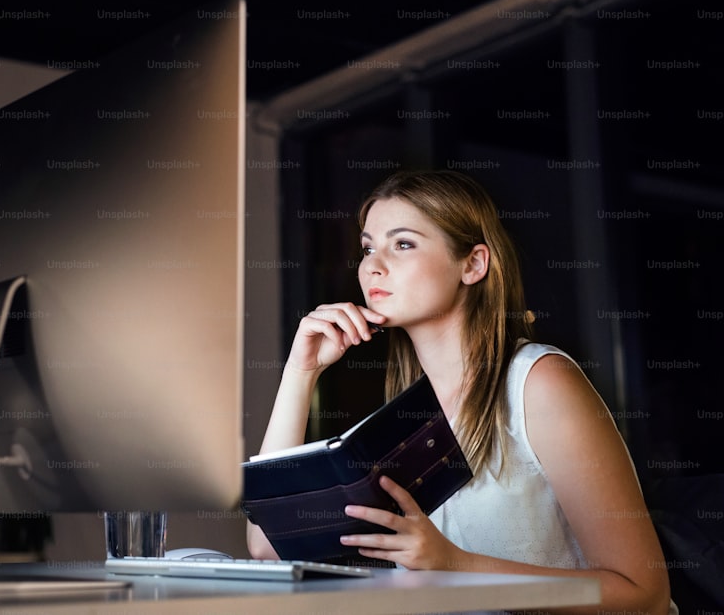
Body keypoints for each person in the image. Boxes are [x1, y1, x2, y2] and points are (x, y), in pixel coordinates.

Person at [246, 170, 675, 614]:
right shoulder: (403, 424)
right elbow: (267, 546)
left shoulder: (538, 383)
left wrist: (454, 564)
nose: (373, 264)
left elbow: (644, 596)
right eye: (368, 247)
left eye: (403, 243)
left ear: (473, 264)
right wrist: (301, 372)